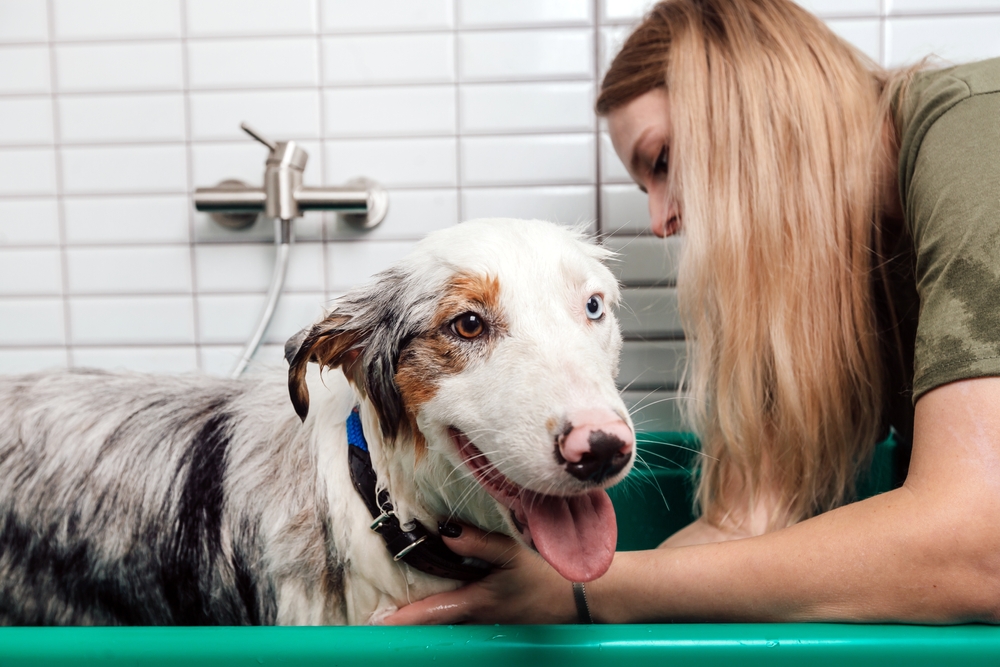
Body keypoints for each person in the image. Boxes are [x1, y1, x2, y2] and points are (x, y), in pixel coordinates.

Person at [386, 0, 1000, 624]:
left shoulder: (979, 129)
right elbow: (741, 527)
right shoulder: (845, 276)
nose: (659, 222)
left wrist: (588, 596)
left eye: (663, 161)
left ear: (762, 108)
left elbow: (984, 551)